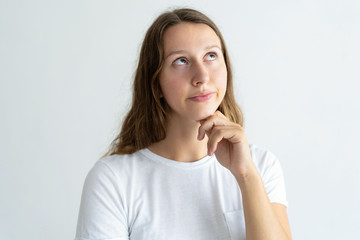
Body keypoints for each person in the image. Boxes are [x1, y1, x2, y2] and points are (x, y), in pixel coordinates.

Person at [75, 8, 291, 240]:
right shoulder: (113, 180)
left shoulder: (260, 166)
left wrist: (246, 175)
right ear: (155, 83)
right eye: (181, 61)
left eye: (211, 56)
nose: (202, 76)